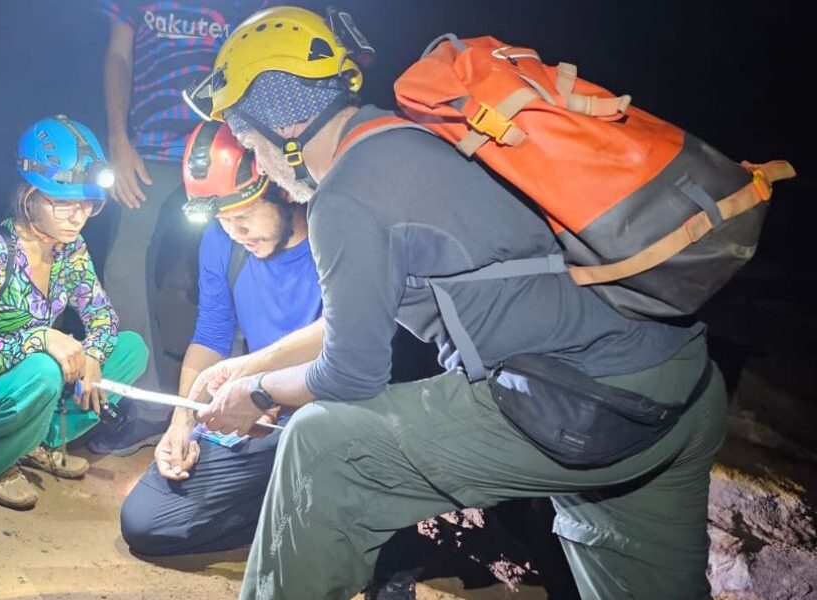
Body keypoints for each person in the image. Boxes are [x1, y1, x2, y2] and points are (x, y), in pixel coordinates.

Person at [186, 7, 727, 599]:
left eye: (245, 135)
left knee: (322, 442)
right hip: (681, 379)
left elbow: (352, 373)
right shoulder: (418, 139)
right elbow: (360, 325)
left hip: (584, 405)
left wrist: (258, 395)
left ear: (278, 120)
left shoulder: (344, 198)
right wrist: (254, 366)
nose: (253, 155)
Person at [0, 115, 149, 511]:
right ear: (29, 195)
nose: (78, 216)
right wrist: (40, 339)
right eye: (63, 202)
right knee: (44, 368)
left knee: (130, 349)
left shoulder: (69, 248)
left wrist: (91, 355)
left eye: (88, 204)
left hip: (23, 388)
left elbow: (104, 317)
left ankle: (34, 441)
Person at [119, 121, 320, 556]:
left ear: (284, 190)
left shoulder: (335, 237)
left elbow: (350, 340)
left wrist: (260, 388)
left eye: (245, 216)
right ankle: (291, 505)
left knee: (315, 440)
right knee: (145, 521)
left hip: (328, 413)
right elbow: (211, 332)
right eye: (223, 220)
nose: (236, 232)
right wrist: (182, 422)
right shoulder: (223, 243)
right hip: (258, 417)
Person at [87, 0, 267, 456]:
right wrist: (117, 138)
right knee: (124, 267)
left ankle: (238, 404)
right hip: (148, 147)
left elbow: (254, 60)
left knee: (243, 259)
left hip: (224, 144)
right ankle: (146, 409)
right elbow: (117, 57)